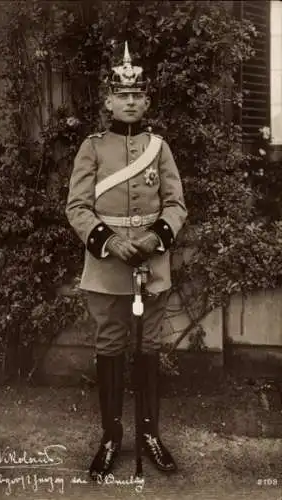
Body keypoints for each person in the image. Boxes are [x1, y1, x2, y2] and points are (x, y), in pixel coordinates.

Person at [66, 41, 188, 479]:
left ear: (147, 99)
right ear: (109, 100)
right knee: (111, 348)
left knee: (149, 348)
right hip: (106, 267)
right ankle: (111, 436)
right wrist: (109, 241)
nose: (131, 101)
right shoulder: (92, 148)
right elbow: (76, 207)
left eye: (138, 95)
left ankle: (151, 434)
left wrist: (156, 237)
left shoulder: (161, 148)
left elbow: (176, 205)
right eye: (123, 94)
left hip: (151, 265)